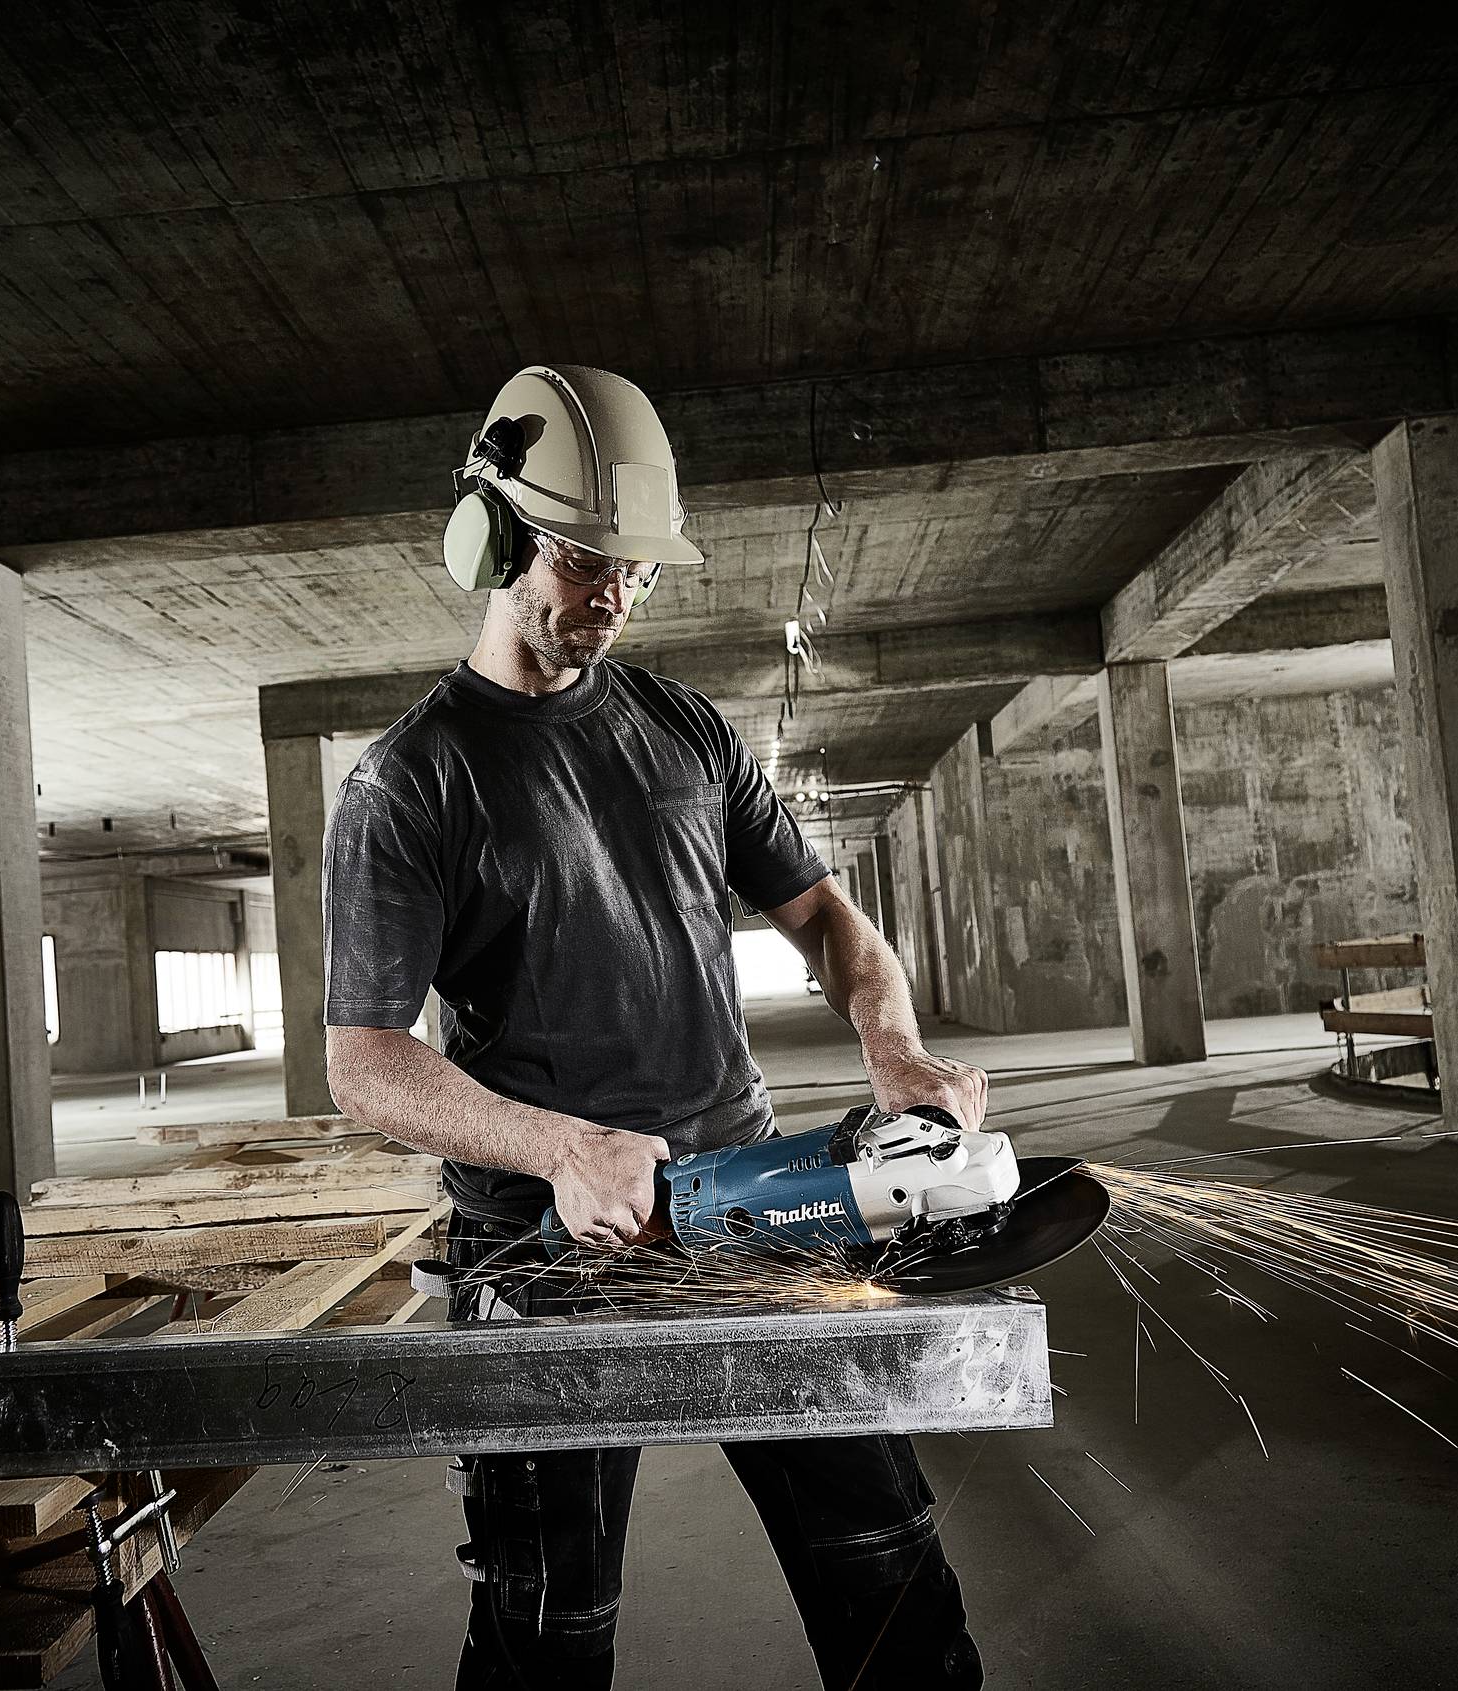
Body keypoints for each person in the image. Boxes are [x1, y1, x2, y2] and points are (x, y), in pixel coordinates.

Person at [322, 365, 989, 1690]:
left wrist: (895, 1047)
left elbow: (829, 923)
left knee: (890, 1571)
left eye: (637, 570)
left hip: (753, 1200)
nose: (614, 596)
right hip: (544, 1242)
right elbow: (364, 1062)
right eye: (585, 561)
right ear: (497, 539)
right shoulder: (410, 784)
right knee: (546, 1632)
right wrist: (564, 1150)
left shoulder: (684, 729)